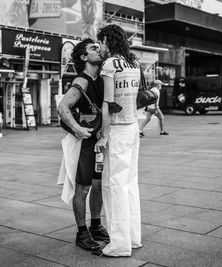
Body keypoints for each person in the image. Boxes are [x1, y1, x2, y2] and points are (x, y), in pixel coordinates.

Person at [94, 24, 142, 257]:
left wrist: (103, 136)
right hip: (133, 126)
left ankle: (119, 244)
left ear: (106, 40)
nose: (99, 47)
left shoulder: (110, 64)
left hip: (118, 128)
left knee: (114, 186)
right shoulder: (134, 63)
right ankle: (133, 237)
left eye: (100, 42)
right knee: (130, 183)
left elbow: (108, 104)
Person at [57, 38, 109, 252]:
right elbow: (63, 107)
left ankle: (96, 225)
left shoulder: (102, 78)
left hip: (98, 141)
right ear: (83, 57)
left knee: (98, 186)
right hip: (86, 143)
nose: (98, 50)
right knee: (84, 187)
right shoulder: (83, 79)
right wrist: (78, 130)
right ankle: (81, 233)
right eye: (93, 49)